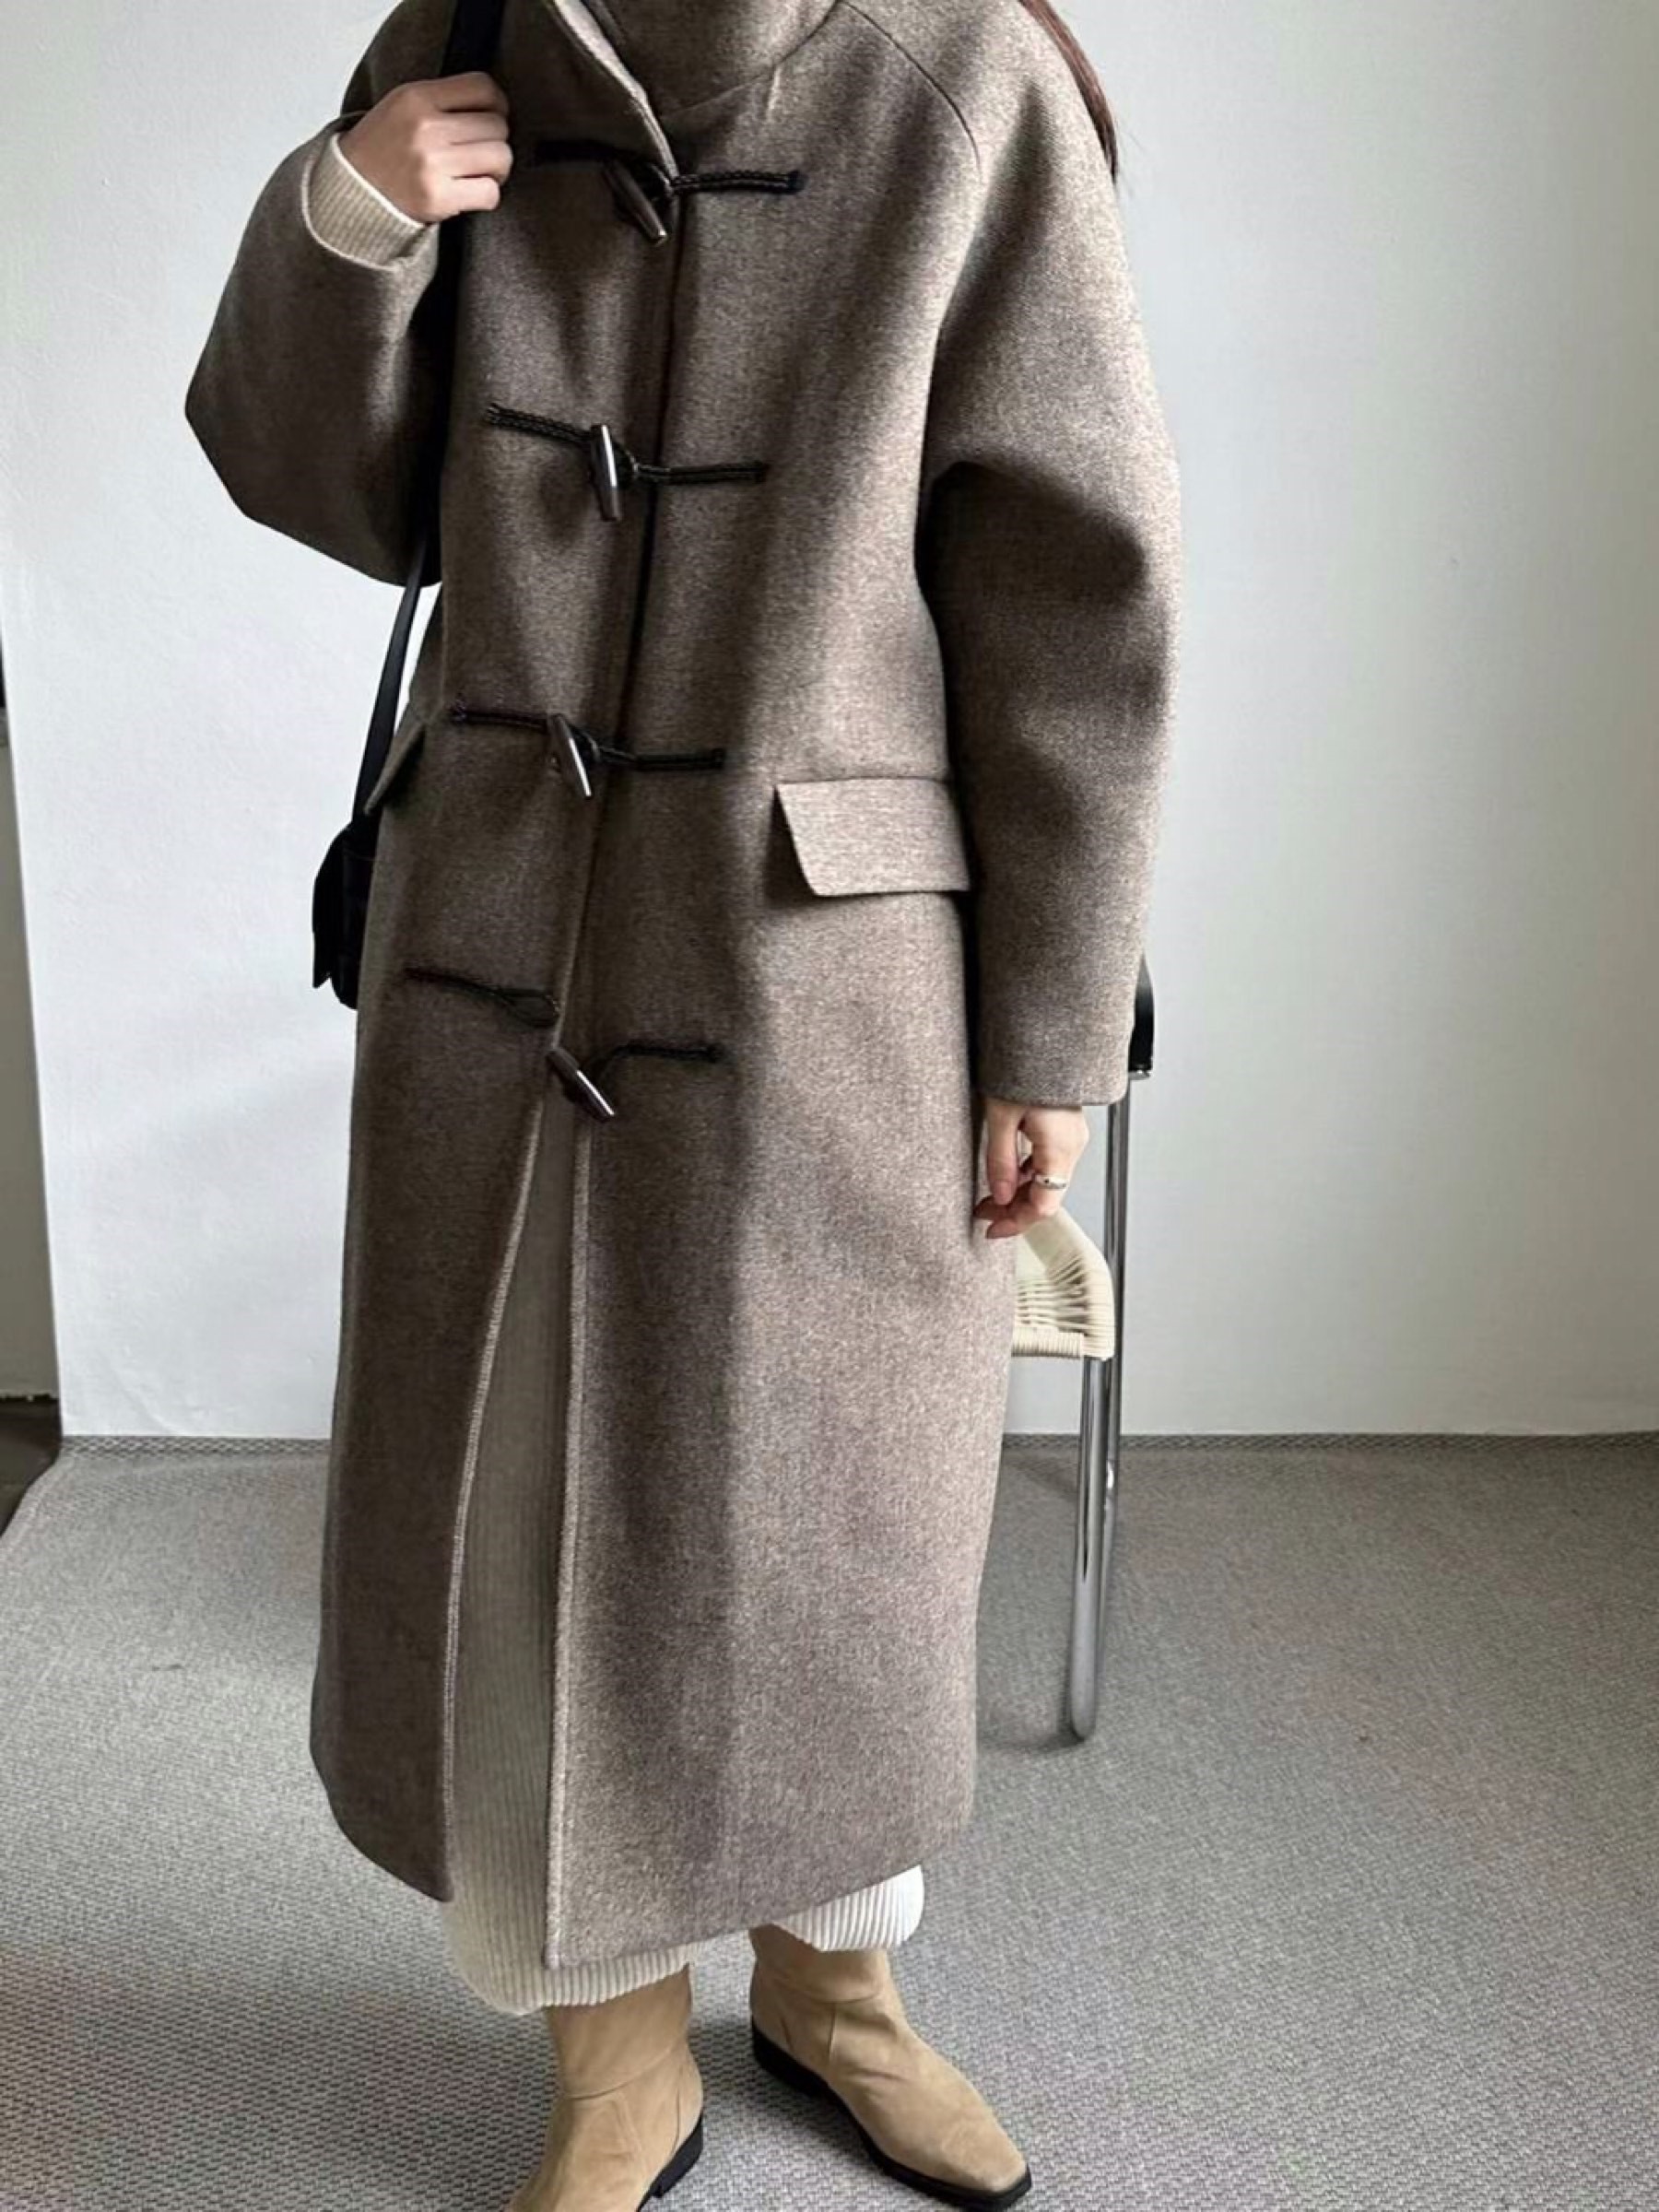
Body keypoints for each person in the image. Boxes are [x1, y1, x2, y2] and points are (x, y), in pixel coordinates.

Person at [183, 0, 1181, 2204]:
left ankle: (837, 1993)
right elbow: (324, 483)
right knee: (527, 1506)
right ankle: (612, 2052)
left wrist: (1051, 1026)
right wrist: (347, 220)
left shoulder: (965, 79)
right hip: (504, 941)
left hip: (823, 967)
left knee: (830, 1521)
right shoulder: (462, 35)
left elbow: (1075, 584)